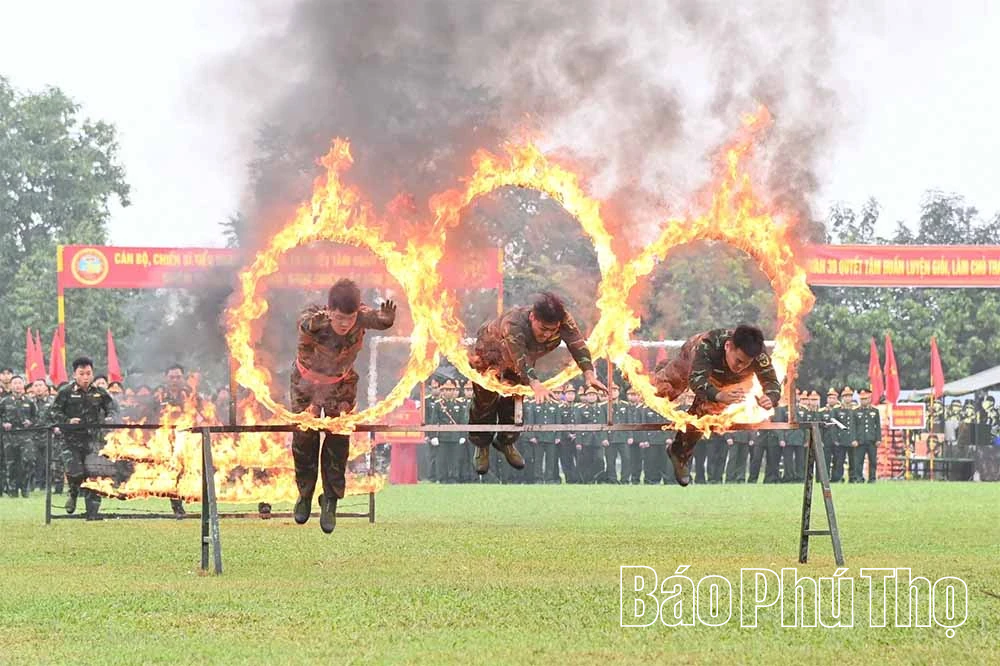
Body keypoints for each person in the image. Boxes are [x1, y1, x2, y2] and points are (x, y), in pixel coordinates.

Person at [291, 278, 395, 533]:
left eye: (349, 319)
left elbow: (379, 321)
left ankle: (330, 500)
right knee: (305, 439)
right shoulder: (314, 319)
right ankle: (304, 494)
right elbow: (303, 322)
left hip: (341, 384)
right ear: (329, 311)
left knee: (338, 441)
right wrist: (317, 323)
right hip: (307, 384)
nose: (344, 325)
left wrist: (387, 319)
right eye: (339, 319)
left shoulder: (360, 316)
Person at [467, 292, 607, 476]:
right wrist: (535, 383)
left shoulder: (563, 320)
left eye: (552, 330)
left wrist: (589, 374)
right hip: (490, 352)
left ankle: (505, 441)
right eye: (543, 329)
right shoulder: (514, 324)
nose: (547, 334)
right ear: (533, 317)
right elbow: (520, 359)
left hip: (522, 358)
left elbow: (577, 343)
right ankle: (482, 445)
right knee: (485, 401)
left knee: (515, 403)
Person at [652, 325, 780, 487]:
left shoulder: (759, 354)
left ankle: (679, 452)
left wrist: (771, 397)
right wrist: (718, 394)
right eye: (739, 361)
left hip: (724, 380)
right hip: (692, 362)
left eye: (747, 364)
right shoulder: (708, 344)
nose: (741, 366)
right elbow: (696, 380)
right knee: (664, 391)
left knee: (707, 411)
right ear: (728, 347)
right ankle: (663, 368)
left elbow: (771, 381)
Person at [49, 357, 118, 520]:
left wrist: (110, 418)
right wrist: (67, 421)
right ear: (75, 374)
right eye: (82, 373)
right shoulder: (65, 392)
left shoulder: (100, 393)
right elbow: (54, 412)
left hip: (94, 441)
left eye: (88, 373)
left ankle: (92, 512)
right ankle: (73, 493)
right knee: (75, 472)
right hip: (71, 441)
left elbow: (112, 409)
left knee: (94, 474)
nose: (85, 377)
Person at [1, 376, 38, 497]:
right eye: (15, 383)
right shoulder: (4, 401)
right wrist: (3, 424)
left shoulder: (29, 402)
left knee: (29, 460)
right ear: (11, 386)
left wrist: (30, 422)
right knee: (11, 463)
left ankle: (25, 487)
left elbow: (36, 417)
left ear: (23, 385)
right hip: (9, 436)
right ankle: (12, 490)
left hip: (25, 436)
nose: (17, 385)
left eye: (19, 383)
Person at [851, 388, 881, 483]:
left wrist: (878, 439)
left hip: (871, 440)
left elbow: (878, 426)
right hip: (860, 440)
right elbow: (853, 427)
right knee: (858, 461)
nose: (864, 401)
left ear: (869, 399)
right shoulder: (855, 411)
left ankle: (872, 478)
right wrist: (853, 439)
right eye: (862, 399)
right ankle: (859, 478)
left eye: (866, 398)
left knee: (873, 461)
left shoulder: (875, 411)